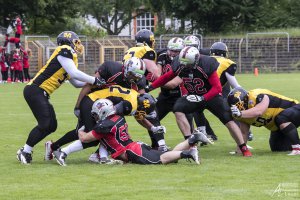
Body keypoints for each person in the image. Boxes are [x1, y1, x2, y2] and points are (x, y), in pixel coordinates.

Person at [17, 31, 106, 164]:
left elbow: (76, 82)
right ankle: (25, 151)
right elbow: (74, 73)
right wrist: (94, 80)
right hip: (36, 90)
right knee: (45, 124)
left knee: (51, 125)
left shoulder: (69, 58)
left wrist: (94, 84)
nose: (78, 45)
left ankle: (27, 150)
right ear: (68, 41)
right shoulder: (64, 50)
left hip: (40, 92)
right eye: (76, 42)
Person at [145, 46, 252, 157]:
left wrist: (203, 98)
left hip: (211, 97)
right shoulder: (180, 64)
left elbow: (217, 88)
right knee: (178, 109)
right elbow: (167, 77)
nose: (185, 66)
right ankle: (190, 142)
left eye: (188, 63)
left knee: (228, 119)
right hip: (193, 96)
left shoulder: (206, 64)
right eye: (184, 63)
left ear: (196, 59)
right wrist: (151, 87)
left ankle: (243, 148)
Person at [56, 98, 206, 166]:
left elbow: (86, 138)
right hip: (134, 147)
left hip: (132, 151)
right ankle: (191, 140)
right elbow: (104, 140)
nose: (94, 116)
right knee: (165, 156)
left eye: (96, 113)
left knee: (162, 159)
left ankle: (189, 153)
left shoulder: (104, 125)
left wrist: (80, 130)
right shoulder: (117, 117)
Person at [50, 89, 161, 166]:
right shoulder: (129, 104)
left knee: (105, 131)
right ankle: (62, 152)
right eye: (146, 110)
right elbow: (109, 117)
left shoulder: (134, 99)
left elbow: (134, 116)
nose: (145, 113)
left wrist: (152, 128)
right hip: (95, 104)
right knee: (94, 136)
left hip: (99, 103)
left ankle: (101, 157)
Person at [227, 87, 300, 155]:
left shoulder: (257, 96)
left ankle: (297, 149)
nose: (238, 108)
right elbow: (244, 133)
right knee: (277, 148)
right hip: (278, 126)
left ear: (245, 99)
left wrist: (240, 113)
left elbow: (259, 111)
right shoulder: (241, 114)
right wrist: (240, 150)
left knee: (281, 118)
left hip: (295, 108)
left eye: (239, 105)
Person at [154, 37, 194, 135]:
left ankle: (192, 143)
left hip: (180, 96)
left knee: (187, 126)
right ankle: (158, 144)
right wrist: (158, 79)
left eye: (176, 51)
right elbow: (157, 74)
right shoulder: (162, 57)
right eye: (171, 50)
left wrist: (158, 82)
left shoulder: (185, 60)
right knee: (152, 119)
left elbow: (173, 84)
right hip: (165, 96)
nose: (172, 53)